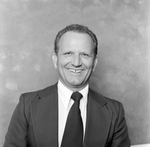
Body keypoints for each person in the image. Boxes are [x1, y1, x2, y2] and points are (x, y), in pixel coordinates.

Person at [4, 24, 130, 147]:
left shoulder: (115, 112)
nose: (76, 63)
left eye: (85, 55)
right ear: (55, 60)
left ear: (94, 63)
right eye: (68, 53)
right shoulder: (27, 106)